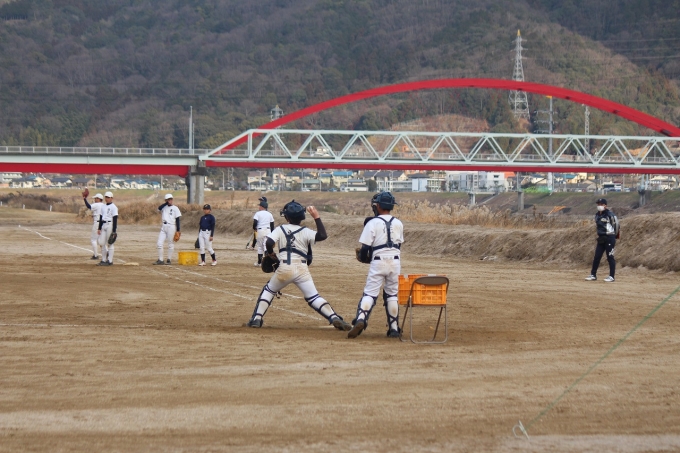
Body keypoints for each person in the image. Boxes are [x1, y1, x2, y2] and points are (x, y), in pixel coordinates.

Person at [246, 200, 351, 331]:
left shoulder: (281, 229)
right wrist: (316, 217)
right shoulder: (306, 231)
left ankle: (257, 318)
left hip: (284, 268)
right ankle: (334, 317)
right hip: (302, 269)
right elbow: (322, 235)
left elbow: (269, 242)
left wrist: (272, 253)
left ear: (287, 217)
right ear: (302, 217)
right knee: (313, 296)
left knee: (269, 290)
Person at [348, 192, 404, 339]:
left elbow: (365, 248)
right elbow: (399, 245)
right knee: (392, 294)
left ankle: (361, 319)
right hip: (395, 261)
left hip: (378, 260)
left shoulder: (372, 223)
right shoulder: (398, 223)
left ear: (378, 206)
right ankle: (394, 329)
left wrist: (363, 257)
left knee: (370, 293)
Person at [585, 198, 619, 282]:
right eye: (598, 204)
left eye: (601, 204)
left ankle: (611, 276)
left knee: (610, 257)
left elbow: (616, 226)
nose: (599, 206)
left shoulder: (610, 215)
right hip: (601, 238)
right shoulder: (597, 215)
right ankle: (593, 275)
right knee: (597, 256)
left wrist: (613, 236)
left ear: (605, 205)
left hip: (609, 237)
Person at [154, 194, 182, 265]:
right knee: (159, 243)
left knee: (170, 243)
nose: (170, 200)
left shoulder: (175, 208)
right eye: (168, 199)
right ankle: (160, 260)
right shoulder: (164, 207)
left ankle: (169, 260)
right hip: (164, 226)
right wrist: (166, 203)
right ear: (166, 200)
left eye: (171, 199)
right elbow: (158, 209)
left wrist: (178, 230)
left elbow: (177, 219)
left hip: (171, 226)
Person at [96, 191, 118, 266]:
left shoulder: (114, 207)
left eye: (108, 197)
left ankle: (110, 261)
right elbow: (101, 217)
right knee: (102, 243)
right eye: (106, 197)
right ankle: (103, 260)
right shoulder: (103, 206)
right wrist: (99, 228)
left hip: (110, 224)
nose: (107, 198)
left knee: (110, 243)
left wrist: (114, 231)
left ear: (111, 198)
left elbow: (115, 219)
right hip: (104, 224)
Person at [252, 197, 274, 266]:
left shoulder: (258, 213)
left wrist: (254, 228)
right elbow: (272, 224)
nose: (259, 207)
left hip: (260, 230)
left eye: (259, 206)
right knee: (266, 246)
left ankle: (260, 262)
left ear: (262, 207)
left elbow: (255, 222)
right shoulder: (270, 214)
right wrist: (272, 233)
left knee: (260, 247)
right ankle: (267, 262)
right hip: (268, 231)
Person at [84, 192, 104, 260]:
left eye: (96, 198)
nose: (95, 199)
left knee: (93, 239)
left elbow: (89, 206)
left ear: (99, 199)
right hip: (103, 223)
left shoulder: (97, 204)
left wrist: (84, 199)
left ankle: (96, 255)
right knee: (101, 240)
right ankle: (106, 253)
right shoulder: (104, 205)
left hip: (97, 223)